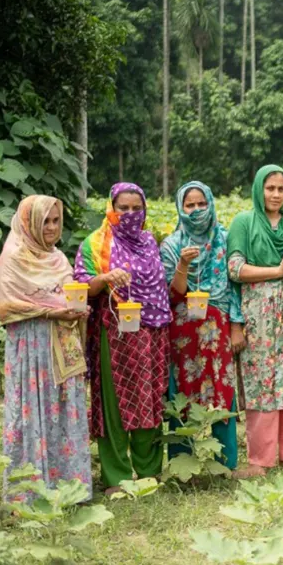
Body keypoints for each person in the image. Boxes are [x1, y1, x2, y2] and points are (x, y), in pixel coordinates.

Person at [74, 183, 172, 492]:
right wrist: (103, 279)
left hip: (152, 333)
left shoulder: (148, 242)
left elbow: (159, 289)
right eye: (123, 208)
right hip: (114, 333)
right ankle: (116, 475)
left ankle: (148, 471)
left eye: (136, 208)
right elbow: (81, 287)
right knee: (114, 403)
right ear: (111, 209)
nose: (130, 214)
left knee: (148, 398)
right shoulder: (95, 243)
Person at [0, 195, 91, 499]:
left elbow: (67, 294)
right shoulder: (13, 258)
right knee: (32, 408)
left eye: (55, 221)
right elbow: (7, 307)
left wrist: (76, 310)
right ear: (29, 223)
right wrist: (52, 310)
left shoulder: (59, 258)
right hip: (30, 346)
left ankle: (68, 486)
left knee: (63, 407)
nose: (51, 228)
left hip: (62, 345)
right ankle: (31, 489)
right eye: (44, 221)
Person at [227, 165, 283, 478]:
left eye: (280, 189)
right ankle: (261, 460)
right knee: (263, 380)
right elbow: (235, 269)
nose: (276, 195)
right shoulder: (244, 222)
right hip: (259, 312)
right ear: (258, 189)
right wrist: (275, 271)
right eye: (270, 188)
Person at [159, 181, 242, 471]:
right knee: (181, 393)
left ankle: (225, 464)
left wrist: (236, 326)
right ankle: (183, 464)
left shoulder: (225, 238)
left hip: (217, 327)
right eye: (189, 205)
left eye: (201, 203)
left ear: (210, 203)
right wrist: (182, 263)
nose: (196, 210)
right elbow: (173, 293)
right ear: (181, 208)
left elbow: (234, 288)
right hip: (183, 330)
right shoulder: (171, 245)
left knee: (222, 390)